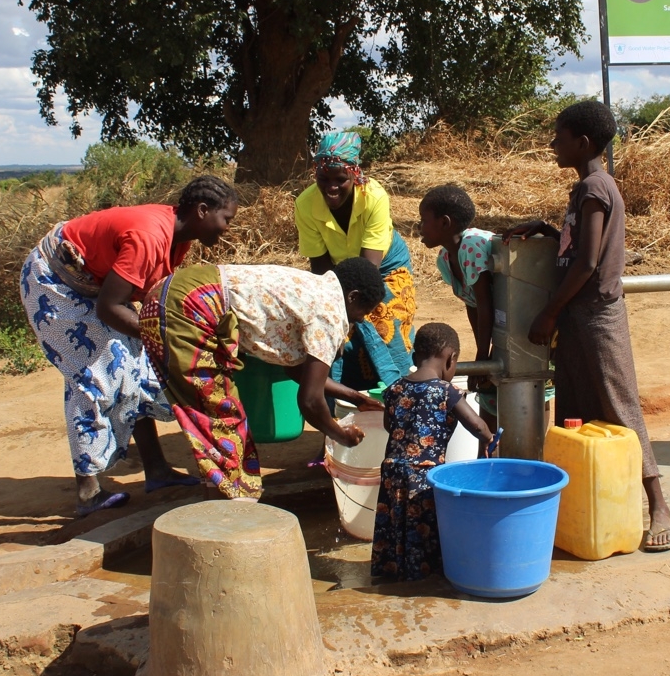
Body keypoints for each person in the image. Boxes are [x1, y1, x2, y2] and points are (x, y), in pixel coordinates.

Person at [507, 100, 670, 552]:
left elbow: (587, 263)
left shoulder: (595, 187)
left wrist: (549, 313)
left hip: (598, 315)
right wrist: (548, 230)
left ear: (582, 143)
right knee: (577, 411)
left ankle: (659, 506)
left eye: (559, 137)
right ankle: (584, 507)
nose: (552, 144)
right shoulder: (586, 187)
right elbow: (579, 247)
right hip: (577, 314)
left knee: (620, 406)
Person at [20, 175, 238, 517]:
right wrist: (163, 335)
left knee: (140, 365)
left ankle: (157, 470)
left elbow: (143, 295)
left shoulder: (178, 239)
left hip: (93, 285)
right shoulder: (149, 236)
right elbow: (109, 308)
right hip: (55, 283)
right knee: (96, 373)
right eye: (226, 219)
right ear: (201, 210)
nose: (227, 228)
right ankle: (87, 491)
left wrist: (164, 334)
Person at [139, 256, 386, 501]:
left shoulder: (315, 289)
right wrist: (341, 435)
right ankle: (224, 514)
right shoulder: (330, 312)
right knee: (223, 425)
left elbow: (295, 370)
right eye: (364, 311)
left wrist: (355, 398)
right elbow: (310, 401)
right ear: (352, 297)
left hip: (169, 297)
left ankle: (224, 505)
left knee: (216, 426)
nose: (361, 319)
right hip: (189, 308)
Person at [372, 323, 494, 582]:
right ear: (451, 358)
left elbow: (389, 425)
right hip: (424, 474)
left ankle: (393, 574)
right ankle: (422, 578)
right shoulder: (446, 391)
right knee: (422, 528)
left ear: (415, 356)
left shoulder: (394, 388)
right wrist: (488, 439)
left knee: (395, 522)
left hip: (392, 470)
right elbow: (476, 424)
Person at [295, 131, 417, 390]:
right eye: (323, 179)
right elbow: (321, 269)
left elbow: (369, 270)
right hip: (340, 272)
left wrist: (350, 314)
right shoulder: (305, 205)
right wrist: (336, 314)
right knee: (334, 331)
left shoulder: (374, 197)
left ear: (355, 174)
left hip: (385, 265)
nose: (331, 187)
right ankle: (349, 395)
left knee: (384, 318)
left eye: (340, 179)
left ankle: (401, 388)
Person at [417, 184, 496, 364]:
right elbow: (473, 304)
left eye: (423, 220)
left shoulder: (471, 246)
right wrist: (482, 354)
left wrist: (482, 357)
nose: (419, 227)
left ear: (445, 223)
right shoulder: (445, 258)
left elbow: (485, 304)